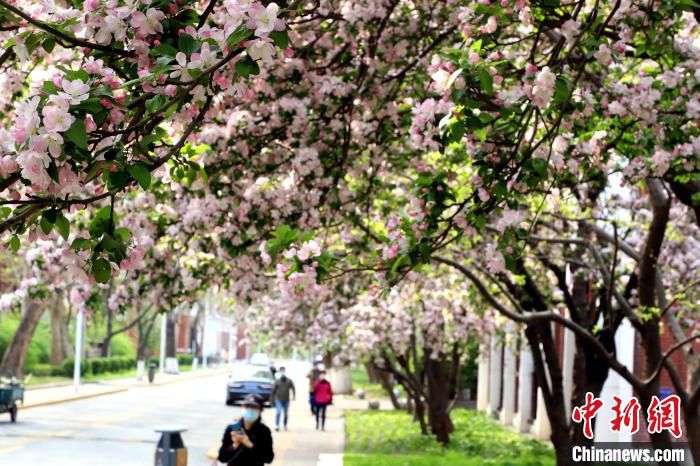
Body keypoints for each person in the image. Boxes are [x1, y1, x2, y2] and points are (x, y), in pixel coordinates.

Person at [217, 394, 274, 466]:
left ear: (260, 411)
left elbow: (269, 459)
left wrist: (250, 445)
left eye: (254, 408)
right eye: (247, 407)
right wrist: (235, 445)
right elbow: (222, 458)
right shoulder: (234, 427)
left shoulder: (264, 431)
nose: (250, 410)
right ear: (242, 408)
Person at [271, 366, 295, 432]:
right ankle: (277, 425)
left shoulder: (289, 381)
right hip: (278, 399)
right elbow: (273, 391)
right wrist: (272, 400)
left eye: (283, 371)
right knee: (278, 412)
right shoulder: (277, 381)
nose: (282, 372)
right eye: (281, 371)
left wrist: (294, 396)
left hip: (286, 399)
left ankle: (285, 425)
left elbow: (293, 388)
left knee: (286, 413)